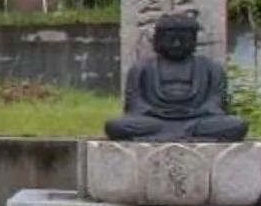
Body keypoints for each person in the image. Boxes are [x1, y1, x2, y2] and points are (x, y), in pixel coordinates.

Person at [105, 12, 248, 141]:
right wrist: (154, 111)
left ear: (193, 40)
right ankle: (181, 134)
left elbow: (216, 102)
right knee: (115, 125)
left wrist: (198, 111)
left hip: (197, 120)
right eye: (171, 40)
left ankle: (170, 134)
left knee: (237, 125)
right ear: (159, 40)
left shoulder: (211, 68)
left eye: (183, 39)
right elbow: (134, 103)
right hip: (155, 120)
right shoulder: (142, 68)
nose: (177, 44)